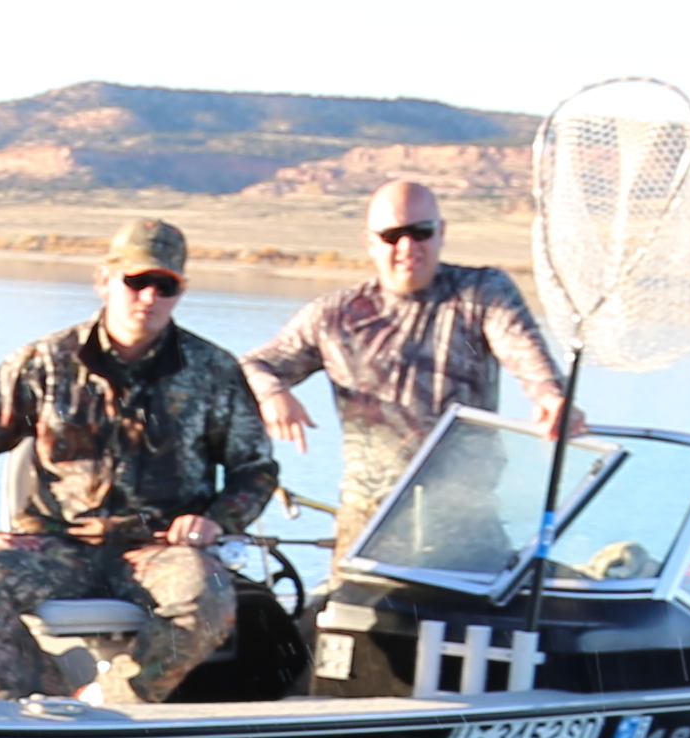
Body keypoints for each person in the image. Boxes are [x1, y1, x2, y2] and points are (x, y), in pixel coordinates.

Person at [0, 214, 281, 702]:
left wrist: (215, 521)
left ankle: (108, 705)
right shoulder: (44, 364)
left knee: (209, 596)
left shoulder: (213, 371)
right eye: (136, 282)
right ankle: (38, 706)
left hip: (159, 550)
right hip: (56, 550)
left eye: (165, 285)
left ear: (181, 291)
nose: (149, 297)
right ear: (104, 281)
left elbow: (256, 470)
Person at [245, 180, 571, 565]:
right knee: (350, 618)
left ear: (441, 233)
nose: (407, 247)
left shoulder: (482, 293)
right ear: (369, 242)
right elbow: (255, 365)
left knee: (488, 618)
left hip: (466, 517)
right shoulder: (334, 315)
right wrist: (271, 393)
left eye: (421, 233)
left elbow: (522, 348)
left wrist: (550, 395)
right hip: (370, 517)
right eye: (392, 235)